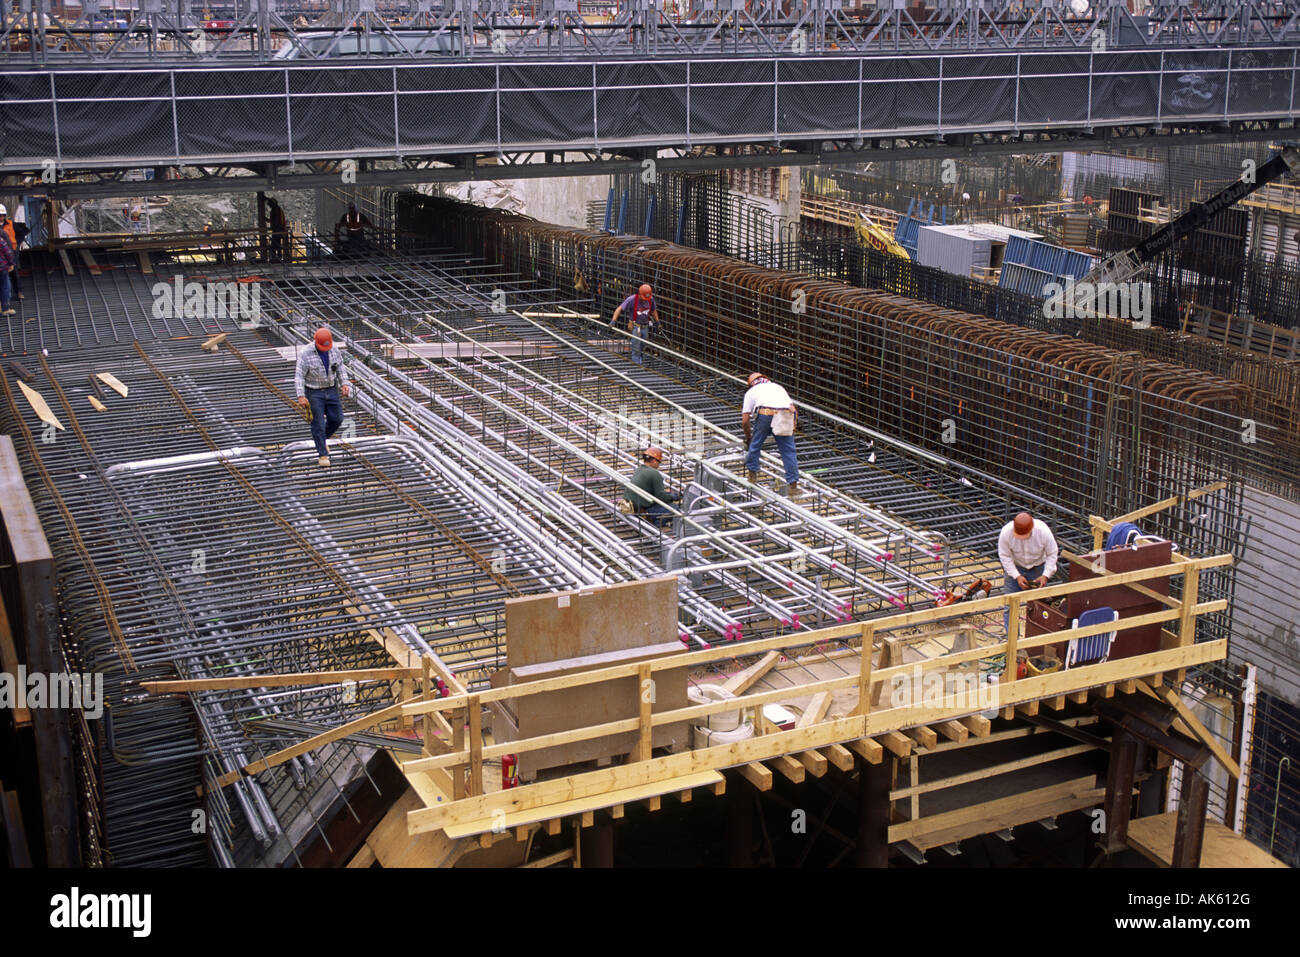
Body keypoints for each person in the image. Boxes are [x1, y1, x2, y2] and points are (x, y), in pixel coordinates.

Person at [294, 327, 352, 467]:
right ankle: (323, 454)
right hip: (314, 392)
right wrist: (301, 395)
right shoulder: (305, 353)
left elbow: (340, 368)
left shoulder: (334, 350)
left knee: (337, 418)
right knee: (318, 423)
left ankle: (321, 440)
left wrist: (344, 383)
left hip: (331, 389)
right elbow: (299, 376)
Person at [997, 511, 1060, 631]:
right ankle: (1012, 642)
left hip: (1037, 569)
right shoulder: (1006, 533)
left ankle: (1036, 638)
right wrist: (1016, 575)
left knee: (1039, 607)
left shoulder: (1043, 532)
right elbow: (1004, 556)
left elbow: (1052, 553)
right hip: (1015, 568)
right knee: (1010, 607)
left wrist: (1045, 575)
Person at [741, 372, 800, 497]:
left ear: (751, 384)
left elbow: (745, 420)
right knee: (788, 451)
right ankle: (793, 486)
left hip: (765, 415)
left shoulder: (751, 392)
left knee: (755, 445)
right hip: (783, 415)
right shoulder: (778, 387)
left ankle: (752, 475)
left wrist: (748, 438)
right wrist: (792, 426)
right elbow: (793, 410)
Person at [623, 446, 679, 527]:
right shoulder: (654, 473)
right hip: (642, 509)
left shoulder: (639, 469)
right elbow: (661, 497)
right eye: (659, 462)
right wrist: (674, 497)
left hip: (631, 506)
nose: (659, 465)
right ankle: (654, 523)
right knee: (674, 508)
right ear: (654, 461)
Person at [610, 283, 659, 364]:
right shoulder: (632, 299)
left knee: (642, 347)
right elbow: (619, 309)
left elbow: (653, 311)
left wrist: (658, 322)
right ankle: (637, 367)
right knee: (636, 349)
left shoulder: (650, 299)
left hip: (645, 327)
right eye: (643, 298)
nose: (645, 300)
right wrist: (613, 321)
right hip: (636, 327)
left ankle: (639, 363)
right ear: (639, 294)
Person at [0, 206, 21, 300]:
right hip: (2, 252)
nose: (1, 217)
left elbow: (22, 232)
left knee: (14, 271)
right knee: (4, 274)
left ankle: (18, 291)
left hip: (11, 250)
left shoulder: (11, 224)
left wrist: (17, 242)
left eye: (3, 215)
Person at [267, 197, 289, 263]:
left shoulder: (276, 210)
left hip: (278, 230)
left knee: (275, 245)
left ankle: (276, 258)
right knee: (277, 245)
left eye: (270, 204)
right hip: (278, 230)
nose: (269, 206)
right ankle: (277, 258)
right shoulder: (277, 209)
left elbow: (276, 221)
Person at [0, 227, 15, 317]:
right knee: (5, 287)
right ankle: (5, 308)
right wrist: (12, 263)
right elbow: (8, 252)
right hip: (2, 268)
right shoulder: (1, 241)